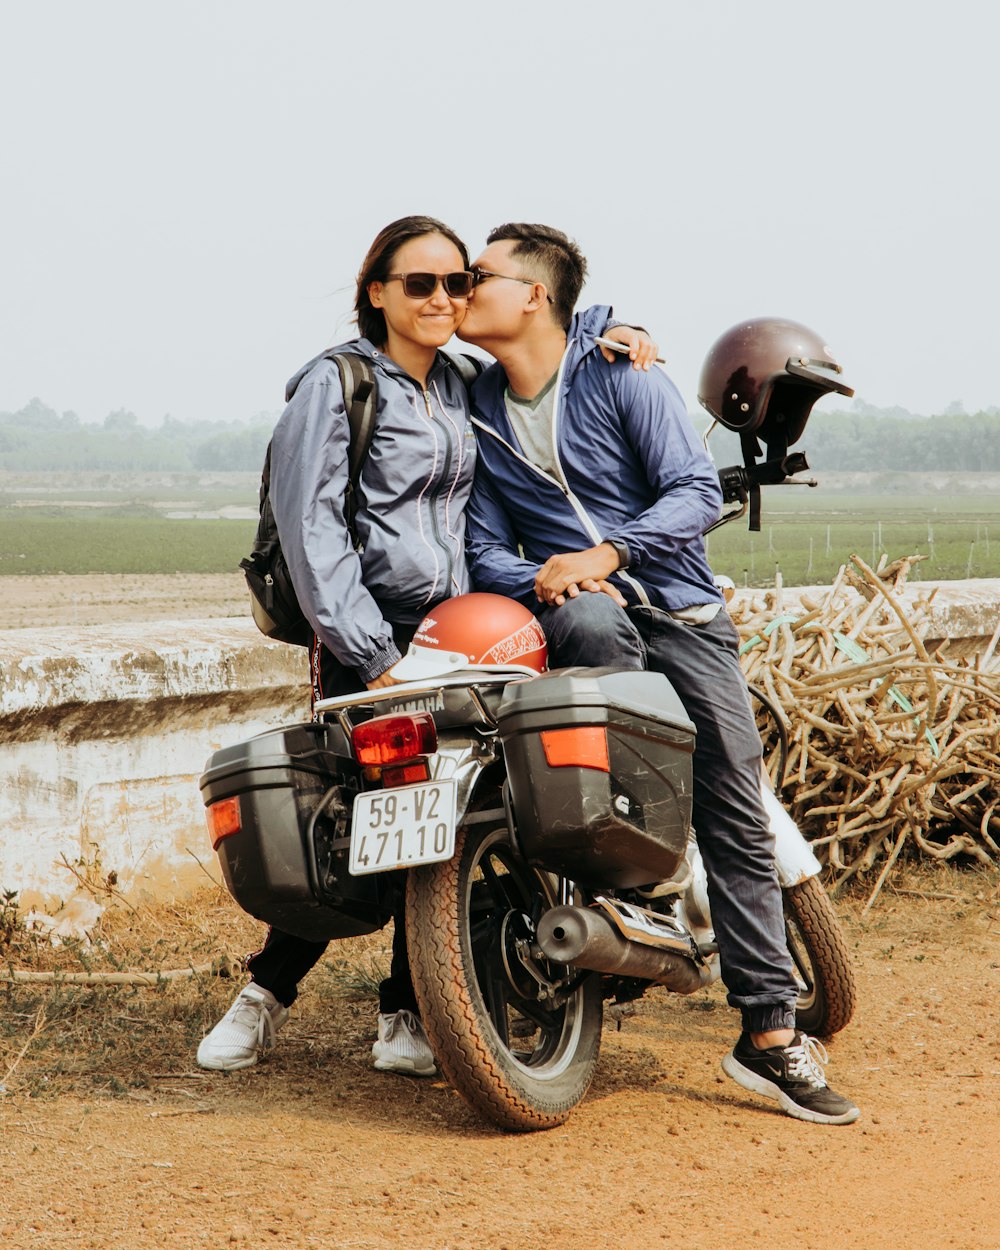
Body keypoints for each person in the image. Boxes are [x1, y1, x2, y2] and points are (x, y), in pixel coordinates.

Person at [196, 215, 656, 1076]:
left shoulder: (462, 383)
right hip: (367, 634)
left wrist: (613, 329)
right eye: (420, 284)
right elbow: (311, 531)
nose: (443, 298)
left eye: (459, 284)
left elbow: (550, 327)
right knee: (366, 815)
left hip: (462, 633)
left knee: (446, 814)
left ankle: (406, 1009)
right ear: (378, 292)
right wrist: (373, 655)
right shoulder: (336, 388)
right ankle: (263, 996)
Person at [458, 221, 860, 1126]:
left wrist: (603, 552)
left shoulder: (621, 371)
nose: (459, 287)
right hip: (585, 619)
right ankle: (624, 892)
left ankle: (767, 1036)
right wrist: (546, 577)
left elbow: (689, 489)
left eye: (479, 275)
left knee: (736, 807)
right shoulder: (475, 405)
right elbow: (482, 540)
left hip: (682, 612)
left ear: (534, 295)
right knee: (592, 623)